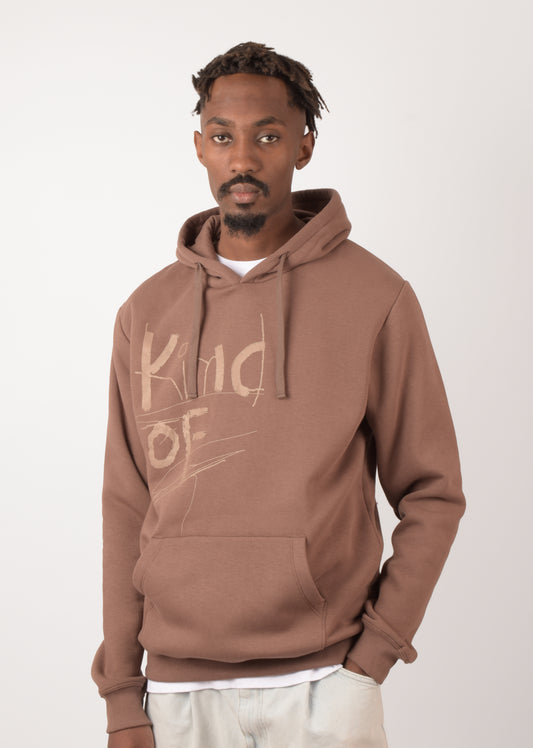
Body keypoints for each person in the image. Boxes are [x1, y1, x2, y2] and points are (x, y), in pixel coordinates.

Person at [91, 41, 466, 748]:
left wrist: (373, 655)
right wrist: (121, 694)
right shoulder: (146, 312)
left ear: (304, 146)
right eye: (222, 137)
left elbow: (432, 491)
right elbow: (125, 504)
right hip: (176, 692)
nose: (242, 159)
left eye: (267, 137)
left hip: (325, 683)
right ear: (199, 148)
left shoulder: (375, 296)